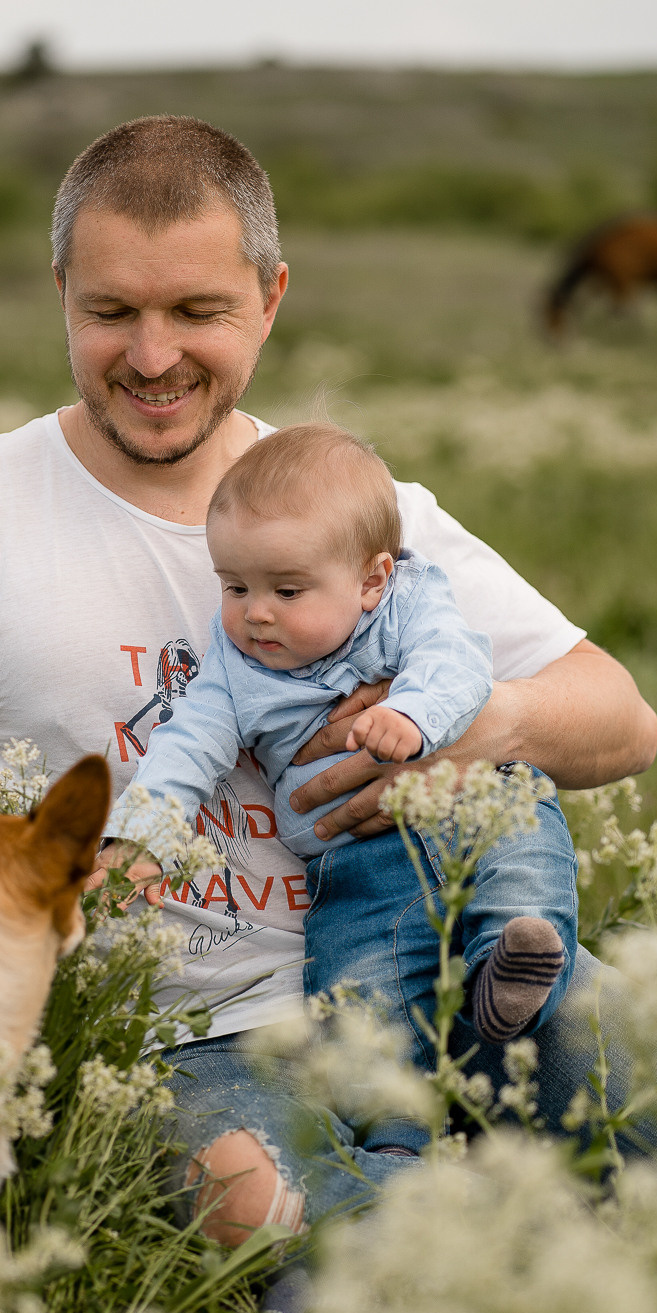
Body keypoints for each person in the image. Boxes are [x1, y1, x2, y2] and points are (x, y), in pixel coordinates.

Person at [0, 114, 657, 1259]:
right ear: (59, 293)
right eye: (110, 311)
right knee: (304, 1251)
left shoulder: (347, 505)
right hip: (184, 1035)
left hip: (433, 967)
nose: (152, 356)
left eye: (198, 312)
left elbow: (623, 717)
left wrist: (469, 731)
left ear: (270, 298)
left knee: (654, 1146)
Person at [95, 424, 578, 1154]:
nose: (255, 611)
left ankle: (512, 960)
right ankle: (394, 1144)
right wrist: (143, 839)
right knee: (361, 997)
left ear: (371, 580)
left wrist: (411, 715)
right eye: (234, 587)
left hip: (467, 800)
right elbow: (185, 746)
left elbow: (454, 658)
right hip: (354, 866)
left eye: (286, 590)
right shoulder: (234, 665)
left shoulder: (411, 602)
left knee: (522, 839)